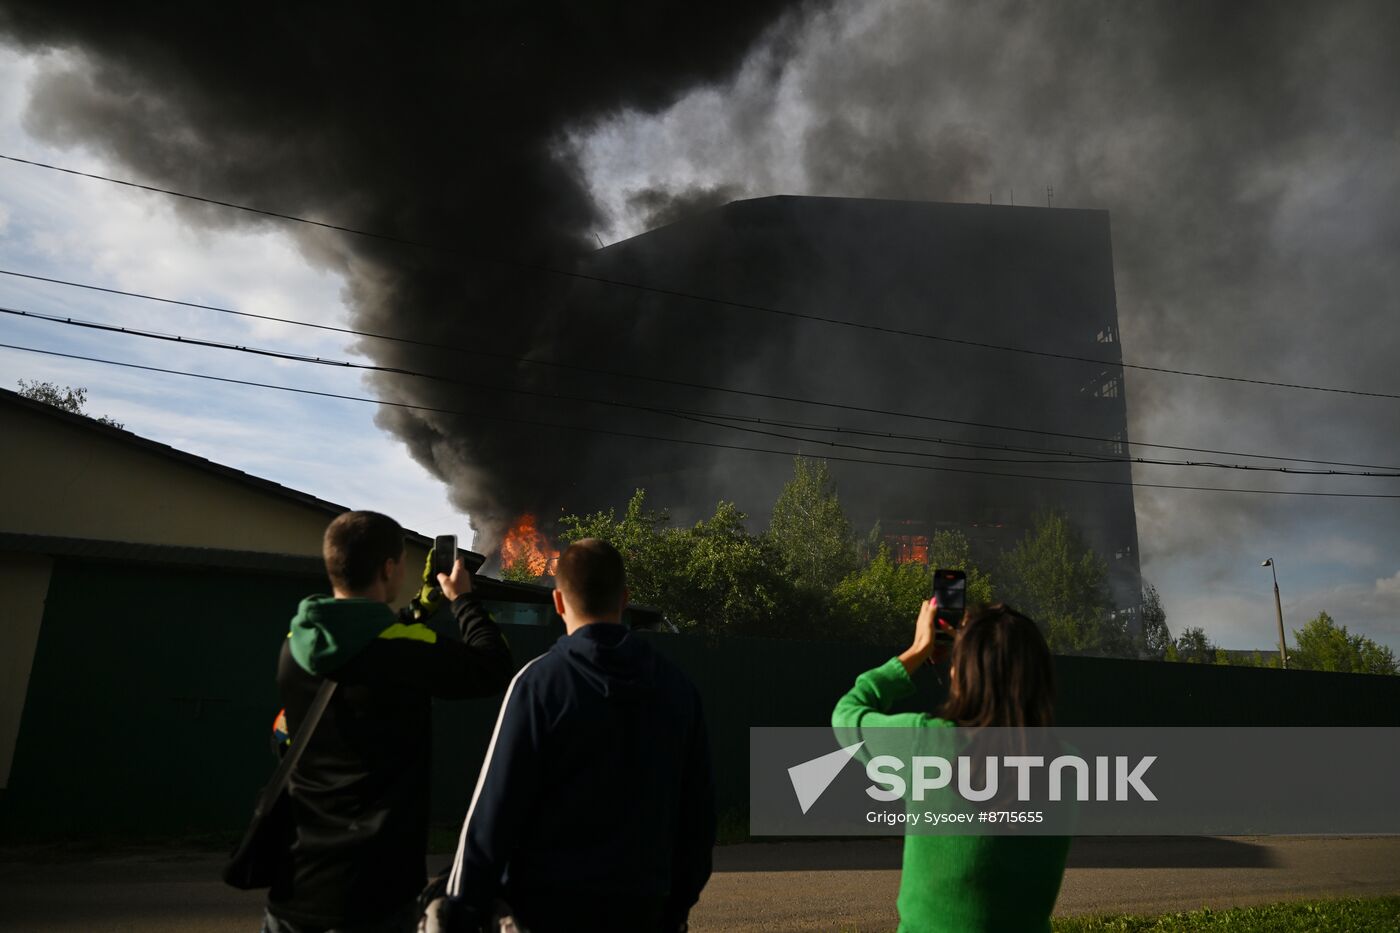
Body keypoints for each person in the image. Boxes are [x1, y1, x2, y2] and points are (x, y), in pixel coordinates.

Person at [424, 538, 715, 933]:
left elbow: (492, 815)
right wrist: (675, 907)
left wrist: (461, 907)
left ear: (558, 602)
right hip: (645, 910)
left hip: (548, 911)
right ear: (625, 598)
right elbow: (699, 819)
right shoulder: (680, 690)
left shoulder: (539, 684)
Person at [262, 510, 516, 933]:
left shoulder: (295, 643)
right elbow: (493, 664)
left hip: (293, 888)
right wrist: (462, 600)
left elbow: (366, 648)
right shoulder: (402, 652)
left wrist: (418, 609)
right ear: (388, 568)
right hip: (373, 894)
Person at [831, 597, 1070, 933]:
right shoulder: (1069, 767)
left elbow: (846, 715)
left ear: (962, 674)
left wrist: (916, 650)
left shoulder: (926, 744)